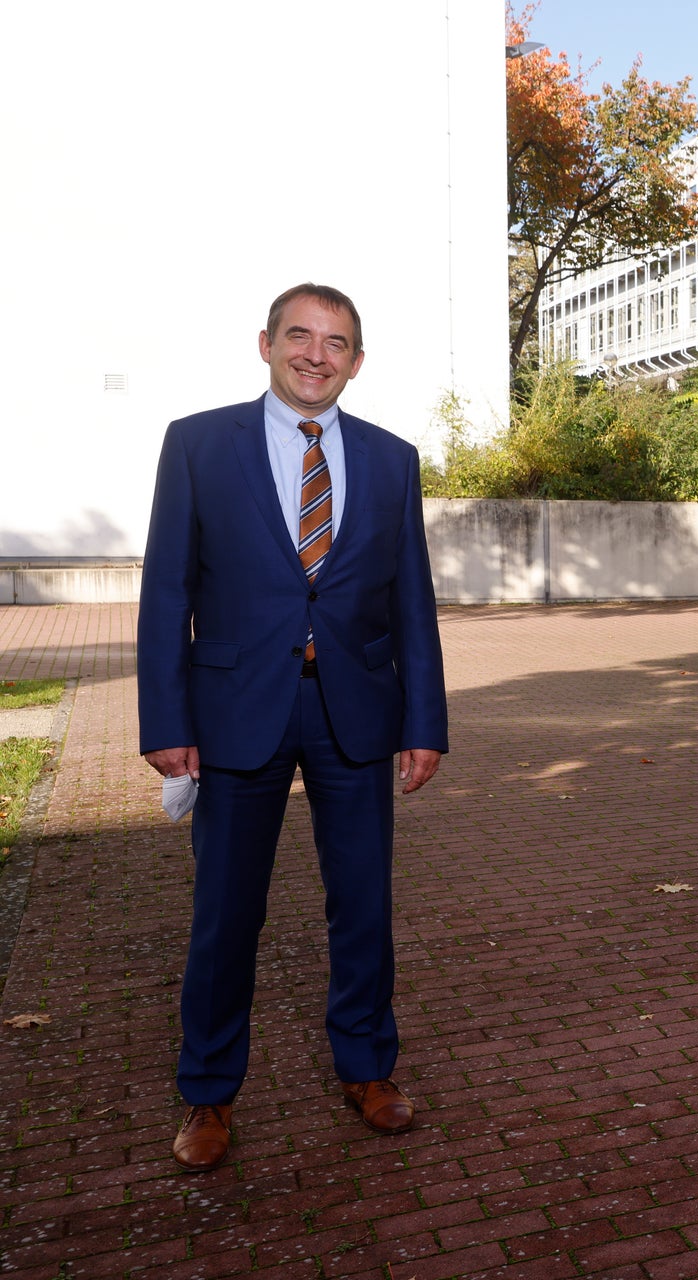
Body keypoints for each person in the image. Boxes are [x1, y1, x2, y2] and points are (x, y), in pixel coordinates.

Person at [137, 284, 449, 1171]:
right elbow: (167, 591)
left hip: (356, 712)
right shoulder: (198, 444)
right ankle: (207, 1091)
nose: (318, 354)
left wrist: (425, 721)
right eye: (301, 336)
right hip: (236, 715)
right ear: (266, 344)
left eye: (338, 342)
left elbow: (412, 604)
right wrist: (166, 718)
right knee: (226, 914)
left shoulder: (392, 460)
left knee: (364, 907)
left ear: (358, 360)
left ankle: (368, 1068)